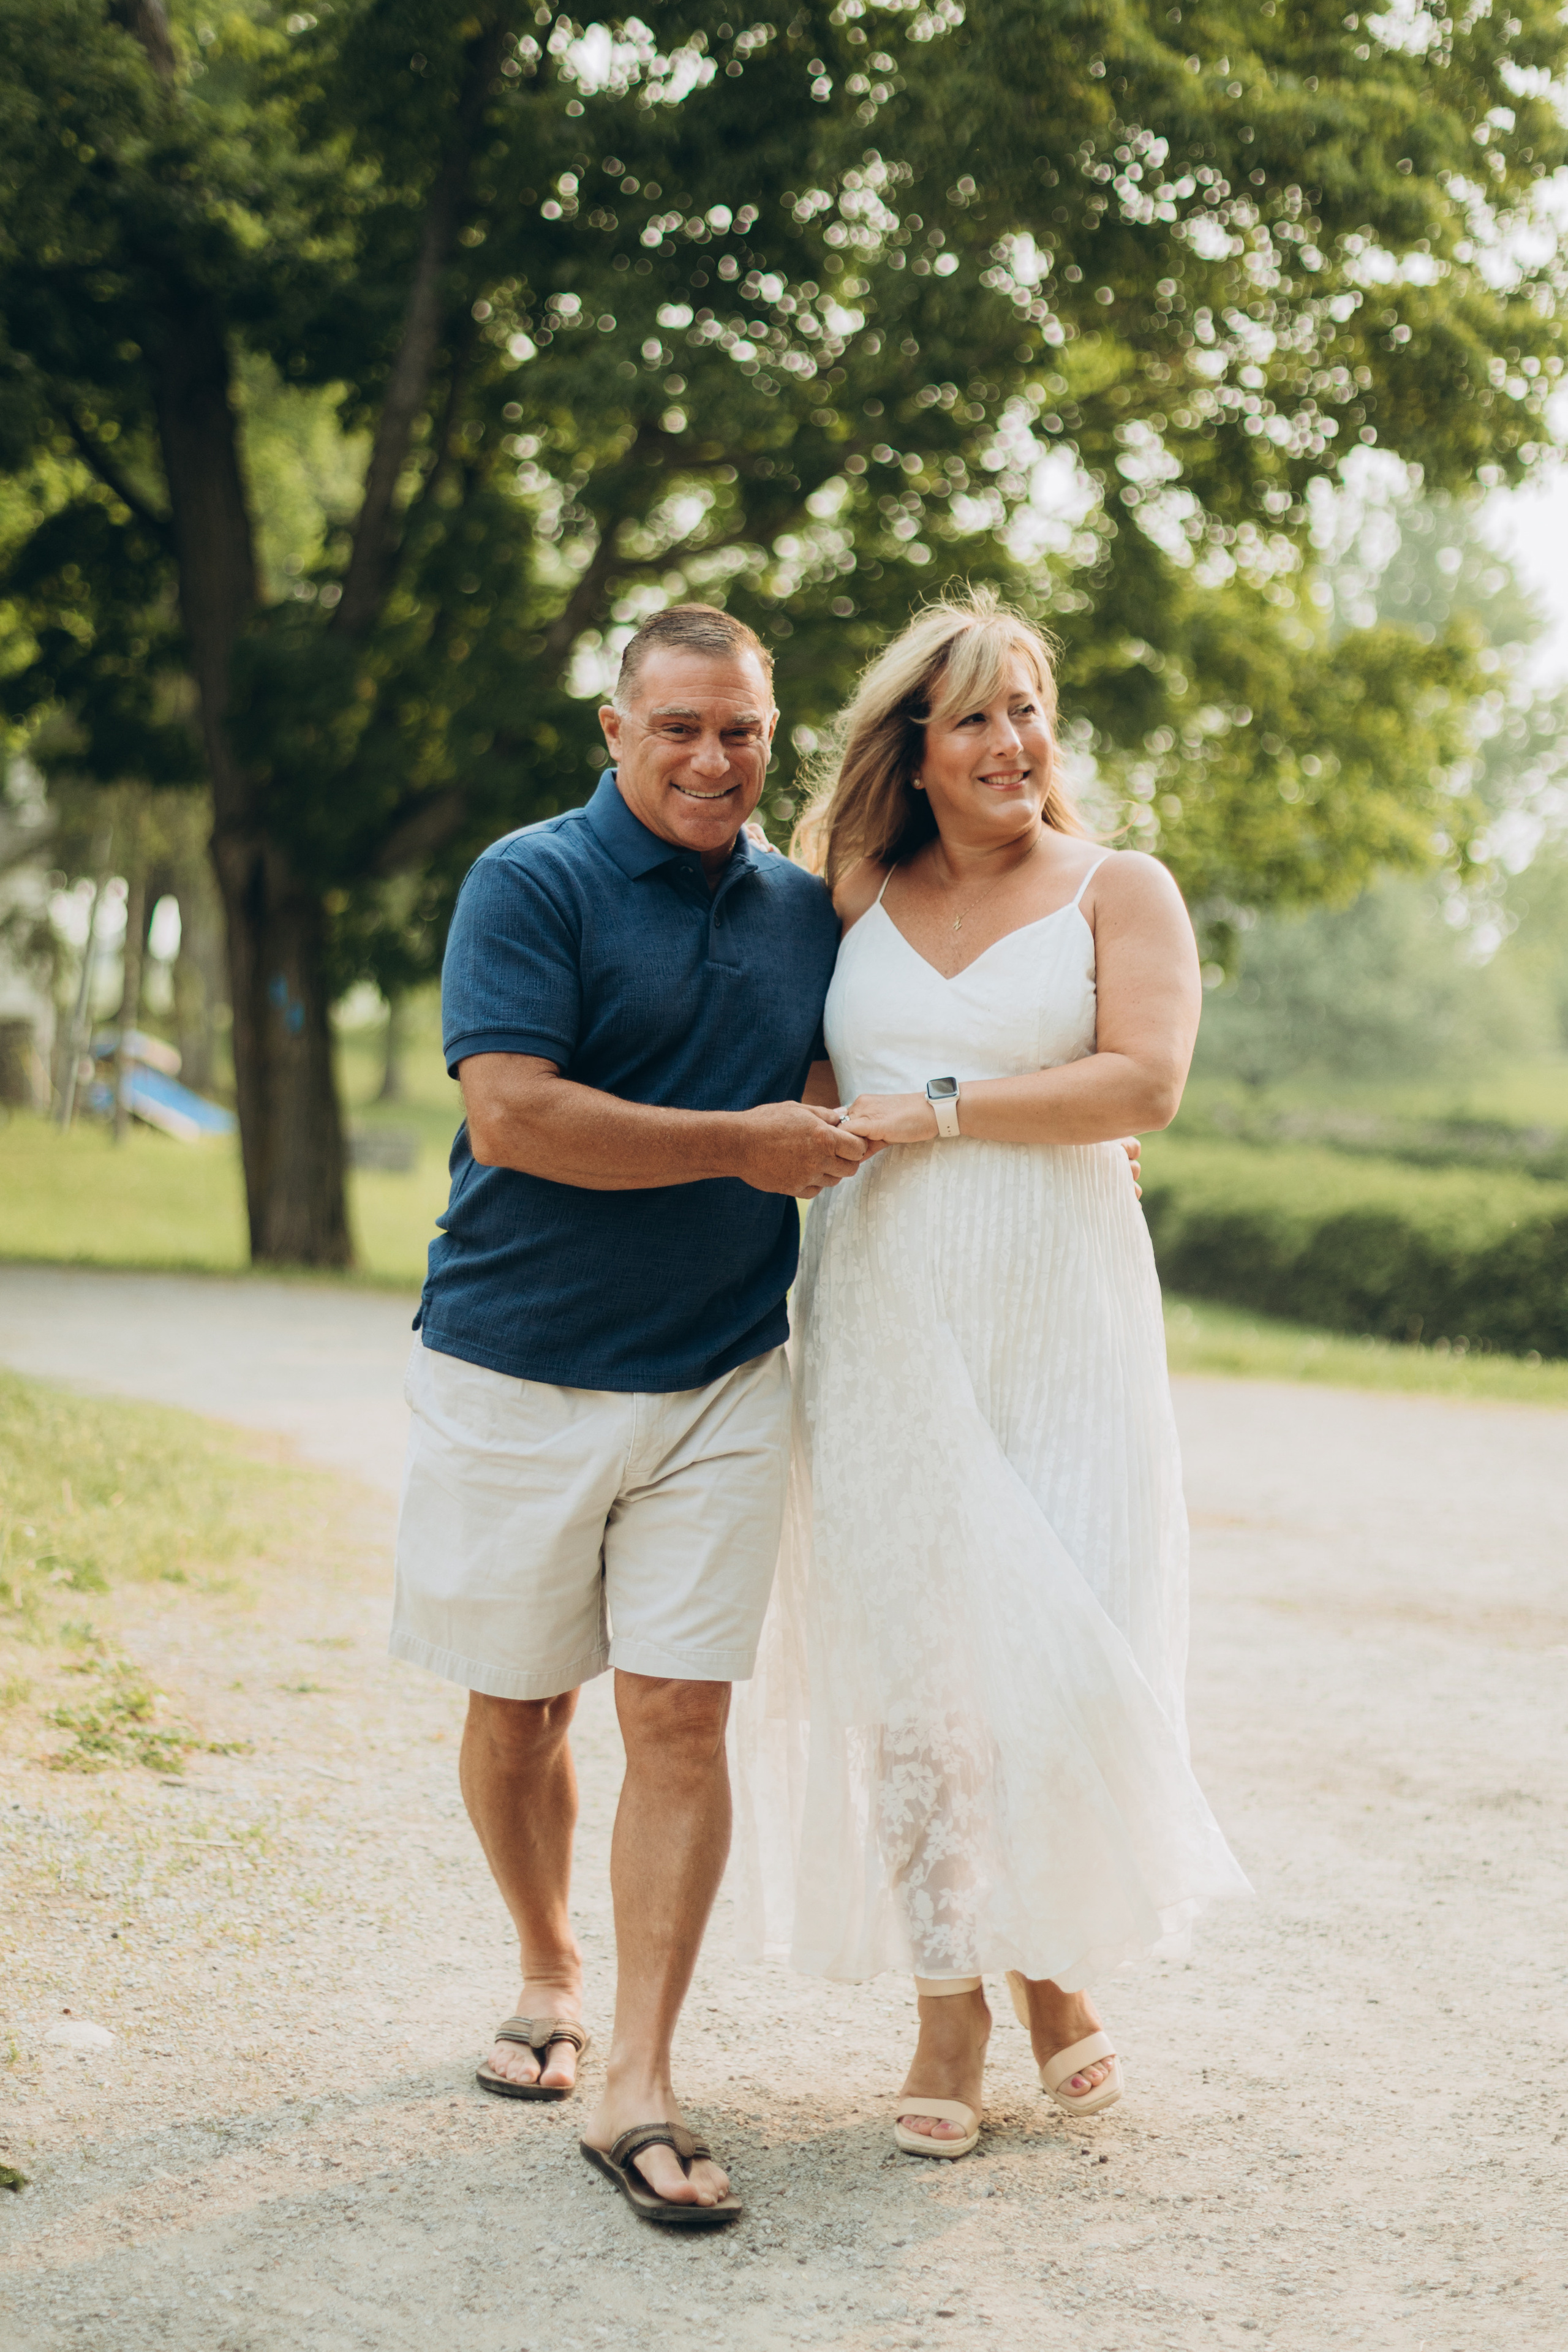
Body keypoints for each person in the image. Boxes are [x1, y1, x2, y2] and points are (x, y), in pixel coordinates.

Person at [733, 590, 1248, 2160]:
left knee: (1064, 1645)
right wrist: (826, 1121)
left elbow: (1138, 1078)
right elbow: (804, 1069)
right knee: (915, 1673)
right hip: (887, 1308)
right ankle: (954, 1997)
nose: (1012, 742)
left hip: (1064, 1312)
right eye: (973, 716)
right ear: (913, 746)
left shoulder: (1118, 888)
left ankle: (1051, 1960)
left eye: (1027, 708)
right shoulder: (843, 894)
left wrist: (934, 1111)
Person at [390, 604, 867, 2225]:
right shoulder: (531, 881)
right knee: (521, 1707)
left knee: (678, 1716)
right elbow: (514, 1117)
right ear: (615, 728)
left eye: (739, 729)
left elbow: (873, 1070)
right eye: (678, 726)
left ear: (770, 732)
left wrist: (1062, 1151)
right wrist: (739, 1144)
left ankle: (642, 2080)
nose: (712, 758)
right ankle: (547, 1965)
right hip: (513, 1364)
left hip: (724, 1371)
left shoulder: (811, 910)